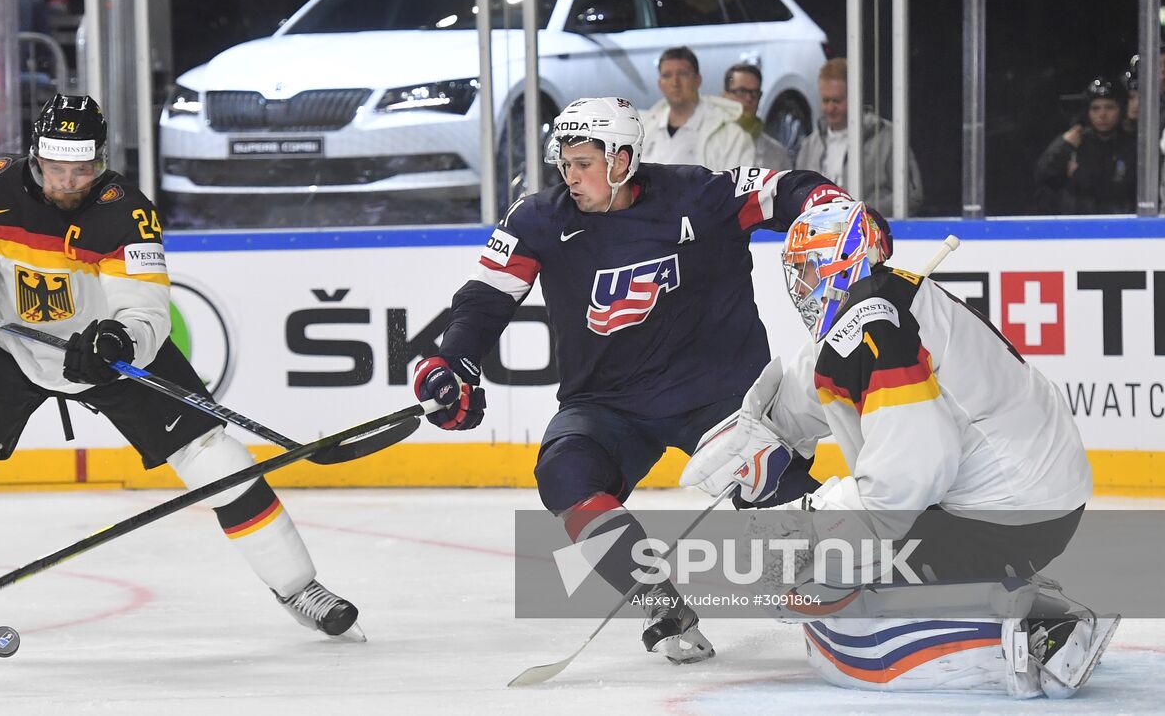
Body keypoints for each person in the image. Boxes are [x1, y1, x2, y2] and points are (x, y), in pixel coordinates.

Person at [0, 93, 362, 659]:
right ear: (35, 157)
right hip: (15, 343)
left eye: (81, 169)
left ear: (99, 160)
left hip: (103, 353)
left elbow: (147, 311)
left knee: (218, 458)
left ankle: (301, 588)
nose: (68, 182)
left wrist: (117, 340)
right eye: (56, 168)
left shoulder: (125, 210)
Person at [410, 96, 869, 664]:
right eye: (565, 163)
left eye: (584, 163)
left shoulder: (698, 194)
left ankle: (855, 580)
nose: (571, 176)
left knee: (767, 486)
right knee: (564, 473)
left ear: (623, 159)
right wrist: (454, 361)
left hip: (717, 398)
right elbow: (483, 300)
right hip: (606, 404)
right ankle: (658, 598)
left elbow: (788, 188)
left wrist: (831, 206)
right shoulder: (537, 218)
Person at [681, 201, 1116, 698]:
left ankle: (1040, 624)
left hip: (1012, 513)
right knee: (836, 572)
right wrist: (763, 429)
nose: (798, 286)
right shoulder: (880, 303)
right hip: (1029, 494)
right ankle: (1003, 590)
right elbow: (821, 373)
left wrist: (819, 526)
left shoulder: (877, 327)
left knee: (845, 585)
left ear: (841, 263)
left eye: (807, 268)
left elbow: (913, 471)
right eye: (794, 271)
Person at [794, 58, 923, 214]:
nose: (830, 108)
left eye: (837, 100)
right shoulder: (809, 146)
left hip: (871, 233)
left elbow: (911, 195)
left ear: (856, 97)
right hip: (821, 235)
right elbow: (796, 198)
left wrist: (858, 213)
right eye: (825, 100)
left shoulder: (887, 136)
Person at [1033, 77, 1135, 214]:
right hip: (1078, 225)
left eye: (1110, 107)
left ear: (1121, 109)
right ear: (1088, 112)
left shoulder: (1132, 145)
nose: (1102, 114)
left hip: (1122, 224)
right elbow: (1042, 175)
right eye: (1095, 108)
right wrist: (1063, 145)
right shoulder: (1074, 143)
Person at [639, 47, 752, 171]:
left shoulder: (731, 136)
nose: (675, 83)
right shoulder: (643, 129)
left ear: (698, 80)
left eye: (683, 74)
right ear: (660, 83)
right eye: (667, 75)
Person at [722, 62, 793, 171]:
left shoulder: (777, 155)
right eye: (741, 91)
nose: (749, 99)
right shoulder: (706, 146)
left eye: (754, 93)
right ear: (725, 96)